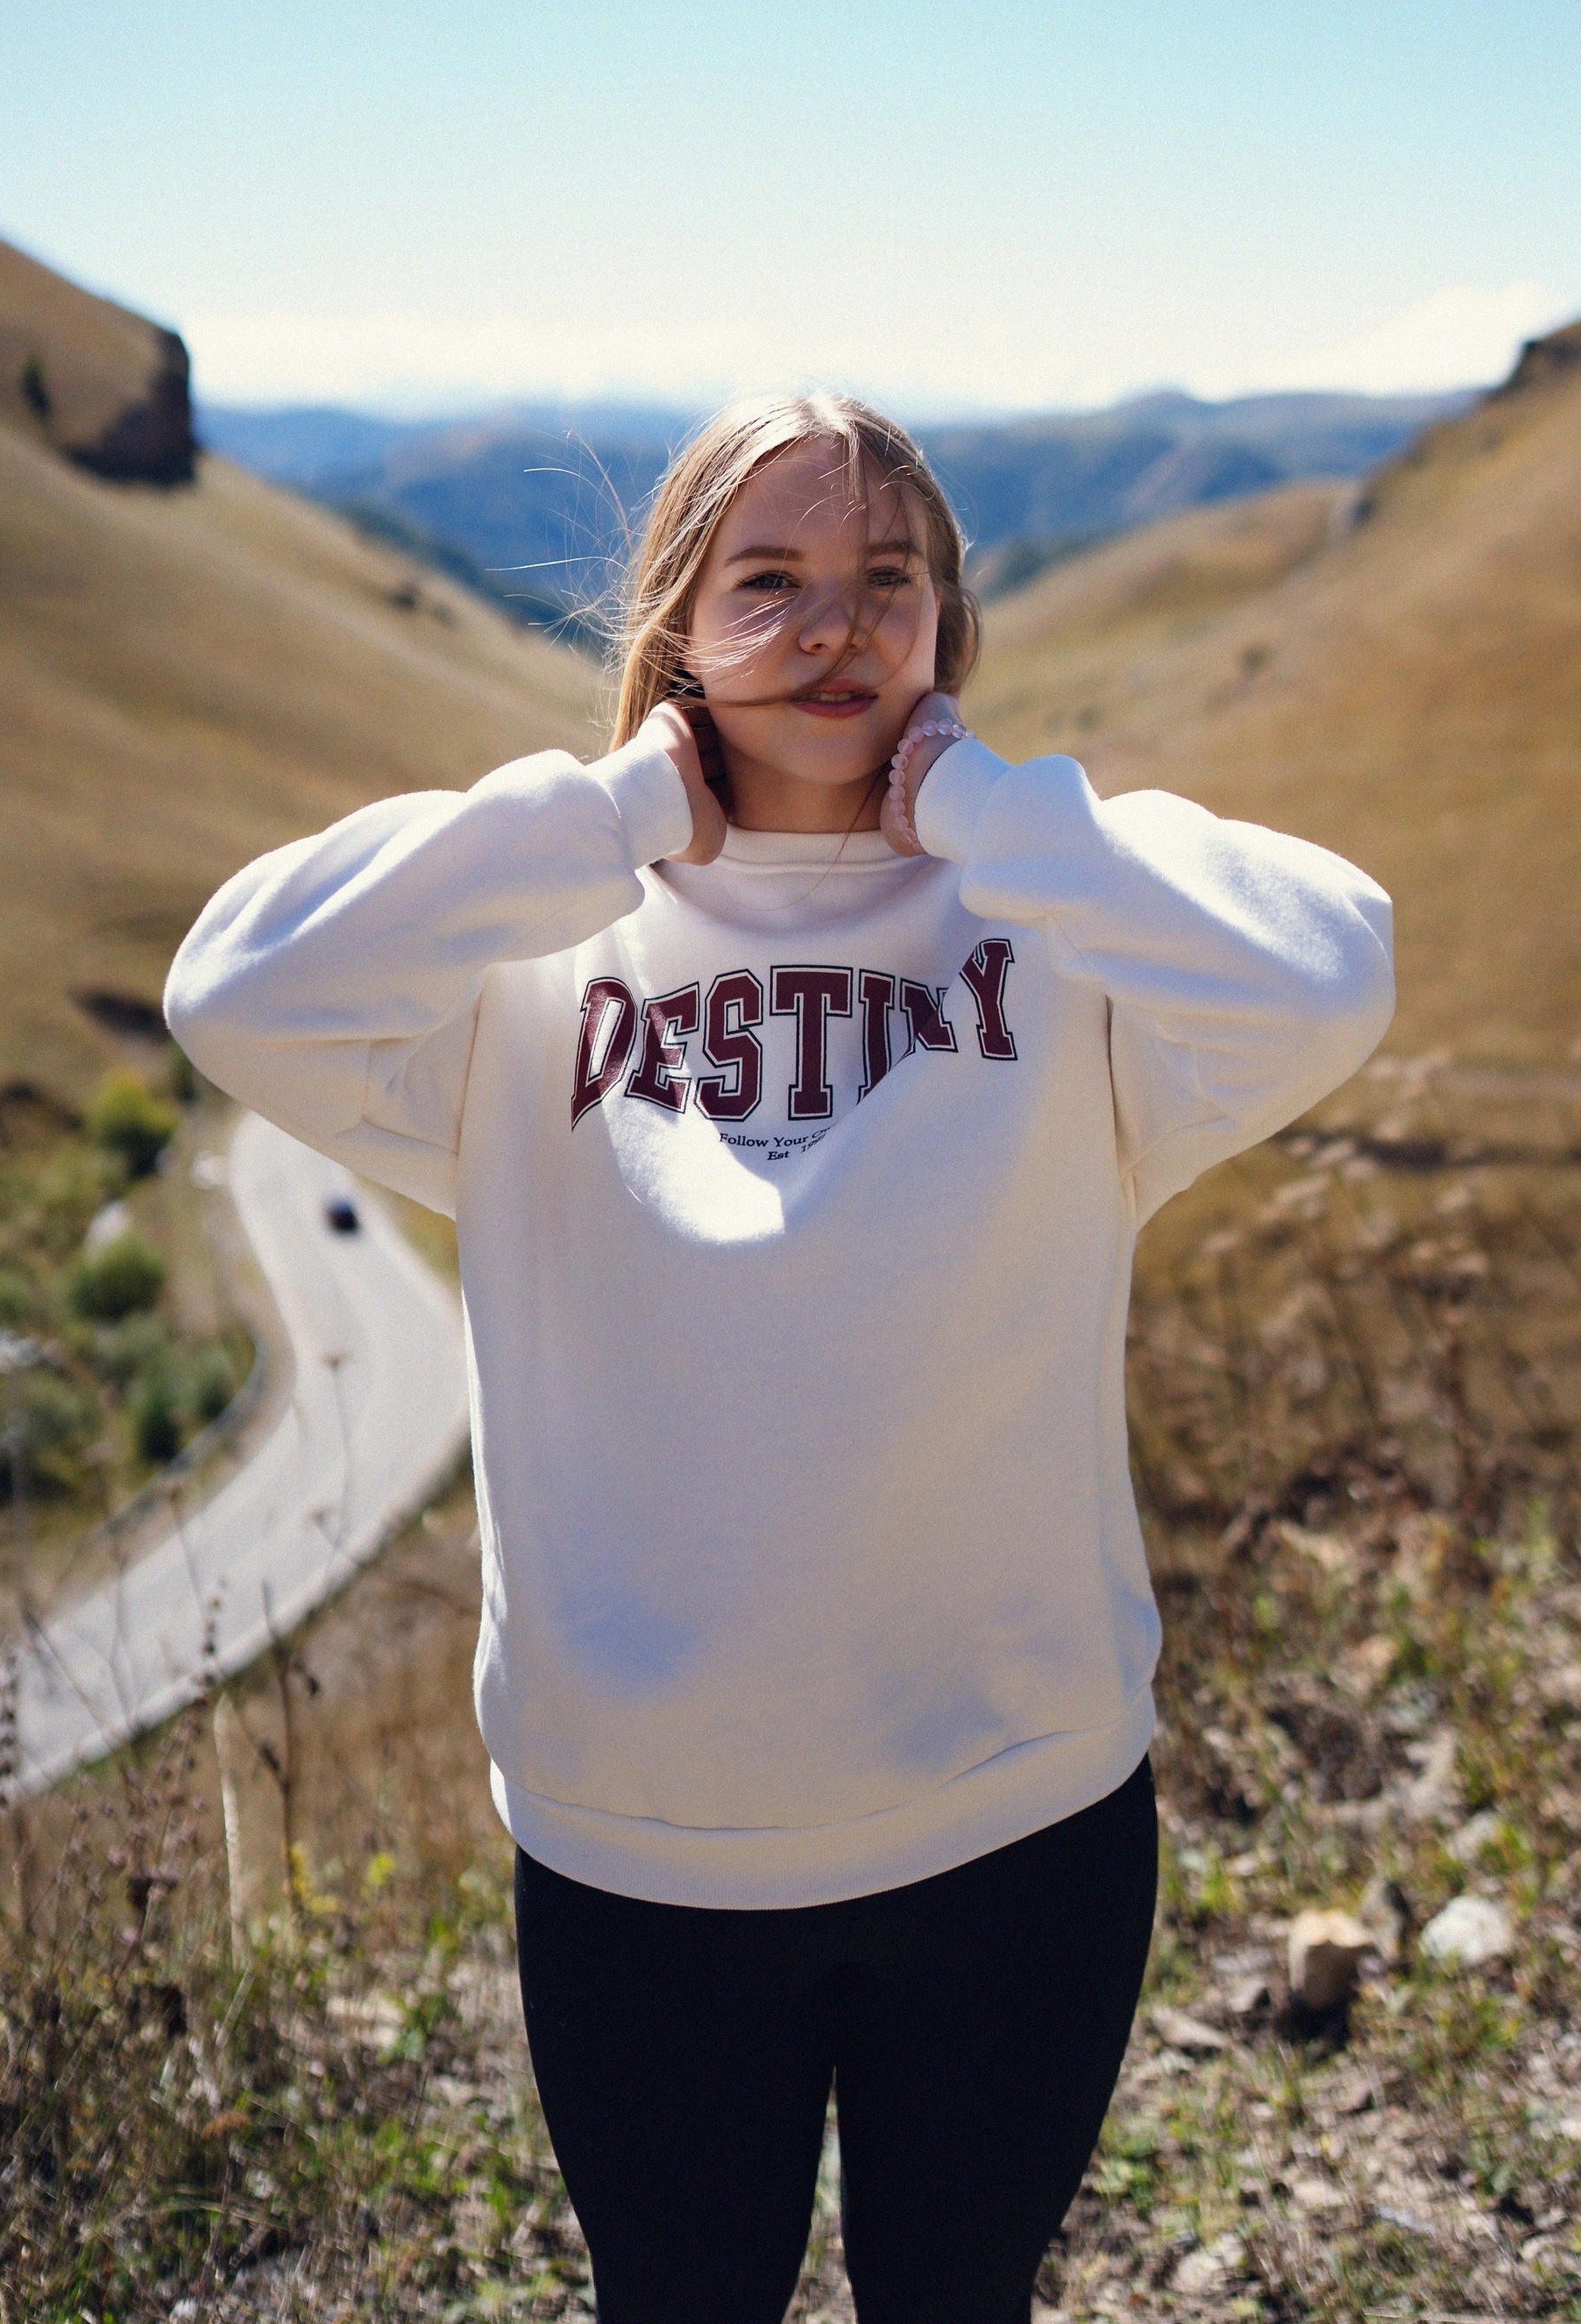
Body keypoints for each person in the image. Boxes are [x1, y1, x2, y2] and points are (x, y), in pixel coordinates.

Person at [166, 390, 1394, 2324]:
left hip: (1019, 1817)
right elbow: (234, 986)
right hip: (640, 1849)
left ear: (944, 623)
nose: (836, 626)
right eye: (770, 581)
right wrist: (616, 812)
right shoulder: (538, 958)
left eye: (886, 580)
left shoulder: (1051, 934)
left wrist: (986, 812)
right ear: (672, 628)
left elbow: (1328, 967)